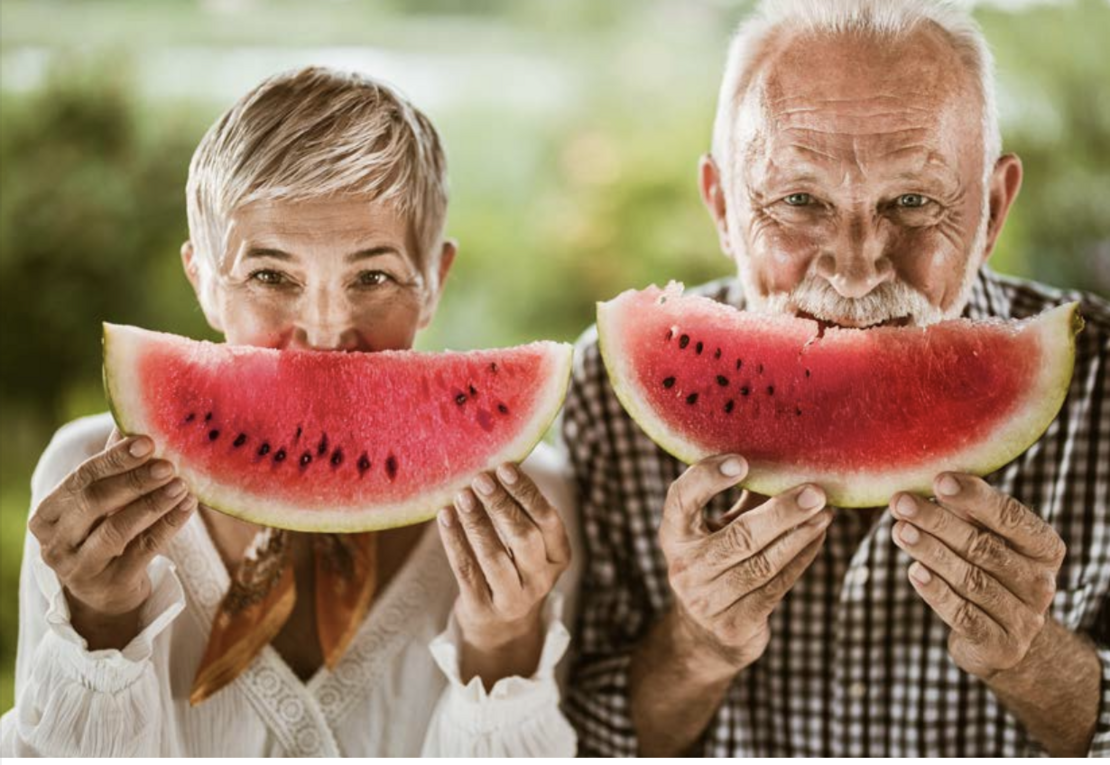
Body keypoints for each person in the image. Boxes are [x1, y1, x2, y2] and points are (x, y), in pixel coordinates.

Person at [561, 0, 1109, 757]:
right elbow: (573, 737)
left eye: (912, 202)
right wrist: (697, 646)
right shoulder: (605, 391)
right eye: (798, 201)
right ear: (722, 205)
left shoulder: (1101, 390)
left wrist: (1036, 660)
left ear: (992, 208)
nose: (855, 272)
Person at [0, 66, 580, 757]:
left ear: (434, 284)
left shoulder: (526, 507)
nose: (326, 330)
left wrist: (502, 643)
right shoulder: (87, 482)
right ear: (204, 283)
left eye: (374, 276)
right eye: (270, 275)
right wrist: (99, 621)